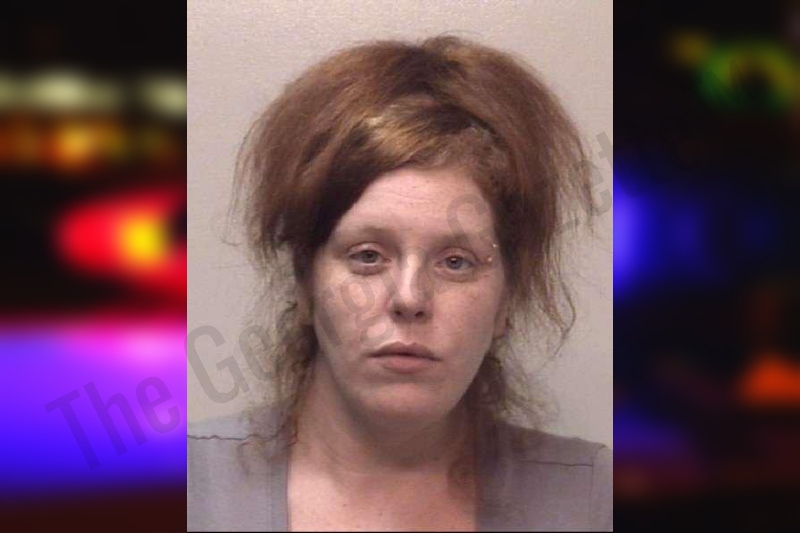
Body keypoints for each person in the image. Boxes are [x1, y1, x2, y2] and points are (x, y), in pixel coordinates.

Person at [188, 35, 612, 531]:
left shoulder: (593, 502)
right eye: (367, 256)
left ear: (506, 301)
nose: (409, 298)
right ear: (304, 282)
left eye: (456, 262)